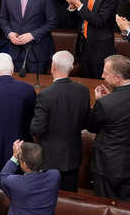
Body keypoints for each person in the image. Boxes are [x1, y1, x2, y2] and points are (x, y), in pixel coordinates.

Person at [86, 55, 130, 201]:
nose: (102, 76)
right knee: (126, 207)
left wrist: (100, 103)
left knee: (105, 205)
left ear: (117, 78)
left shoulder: (104, 104)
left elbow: (92, 127)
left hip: (107, 164)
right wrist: (110, 98)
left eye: (105, 73)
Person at [29, 51, 90, 192]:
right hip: (73, 155)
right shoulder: (83, 91)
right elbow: (84, 122)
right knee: (69, 199)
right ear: (71, 68)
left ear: (53, 67)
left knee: (48, 197)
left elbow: (36, 129)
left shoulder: (45, 95)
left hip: (50, 158)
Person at [0, 0, 57, 73]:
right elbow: (2, 19)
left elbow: (52, 22)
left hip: (37, 52)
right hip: (14, 51)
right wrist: (9, 33)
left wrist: (32, 35)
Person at [66, 0, 118, 78]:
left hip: (101, 47)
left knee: (99, 82)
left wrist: (79, 5)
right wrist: (73, 6)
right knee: (85, 80)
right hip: (84, 44)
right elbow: (83, 13)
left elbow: (99, 21)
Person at [0, 140, 60, 215]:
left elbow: (3, 177)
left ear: (24, 164)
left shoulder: (17, 183)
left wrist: (15, 156)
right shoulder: (55, 176)